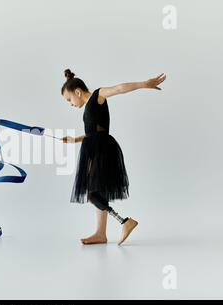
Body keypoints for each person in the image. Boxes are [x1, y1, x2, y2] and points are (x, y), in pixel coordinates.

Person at [60, 69, 166, 245]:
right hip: (94, 148)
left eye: (69, 99)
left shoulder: (98, 95)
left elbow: (119, 88)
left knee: (93, 194)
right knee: (97, 190)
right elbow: (93, 132)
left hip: (101, 149)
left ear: (77, 92)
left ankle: (124, 221)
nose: (70, 104)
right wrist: (75, 140)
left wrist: (144, 84)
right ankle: (101, 233)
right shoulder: (88, 108)